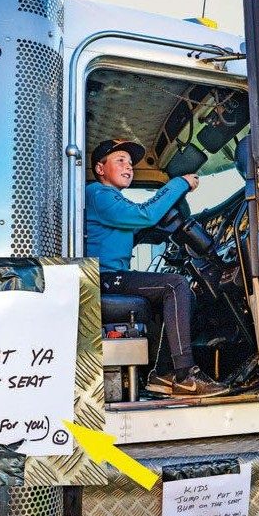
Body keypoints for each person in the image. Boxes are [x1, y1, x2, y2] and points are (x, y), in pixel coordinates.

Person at [86, 139, 229, 398]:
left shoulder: (113, 201)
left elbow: (142, 225)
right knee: (175, 284)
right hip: (103, 278)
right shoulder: (98, 193)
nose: (128, 167)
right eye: (120, 160)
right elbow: (145, 214)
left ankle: (162, 374)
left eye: (131, 163)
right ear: (100, 168)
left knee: (185, 294)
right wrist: (180, 183)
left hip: (111, 276)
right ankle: (185, 375)